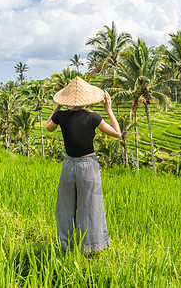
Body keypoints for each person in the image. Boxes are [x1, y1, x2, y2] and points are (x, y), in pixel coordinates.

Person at [46, 77, 121, 253]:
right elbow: (117, 133)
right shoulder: (93, 117)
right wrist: (109, 109)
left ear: (66, 99)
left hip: (68, 165)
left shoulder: (61, 116)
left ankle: (67, 247)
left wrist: (57, 107)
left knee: (65, 206)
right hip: (88, 166)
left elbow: (48, 127)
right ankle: (89, 248)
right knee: (90, 206)